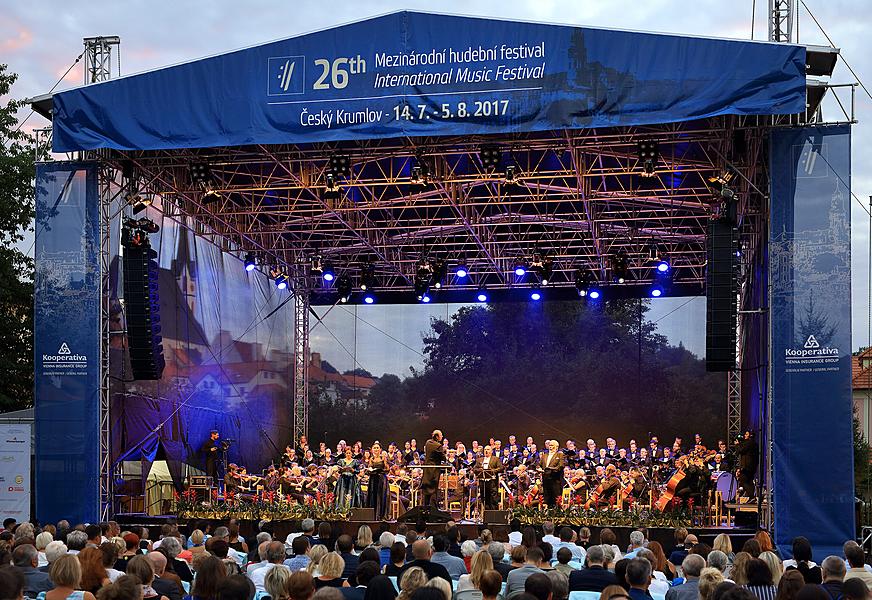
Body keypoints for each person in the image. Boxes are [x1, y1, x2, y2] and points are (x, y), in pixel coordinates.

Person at [421, 431, 447, 508]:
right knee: (433, 490)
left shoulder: (428, 442)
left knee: (426, 490)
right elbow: (443, 458)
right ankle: (433, 510)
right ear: (437, 437)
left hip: (427, 470)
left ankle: (425, 509)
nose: (442, 437)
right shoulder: (438, 446)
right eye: (441, 435)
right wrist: (445, 451)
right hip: (434, 471)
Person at [366, 444, 390, 520]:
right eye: (374, 448)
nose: (376, 449)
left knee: (381, 496)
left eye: (377, 448)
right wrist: (370, 470)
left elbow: (387, 469)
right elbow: (369, 469)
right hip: (373, 480)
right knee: (373, 496)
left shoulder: (383, 458)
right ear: (372, 450)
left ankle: (381, 515)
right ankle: (373, 515)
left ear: (380, 449)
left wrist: (381, 470)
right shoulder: (371, 459)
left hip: (381, 479)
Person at [540, 440, 566, 508]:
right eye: (550, 445)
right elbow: (539, 465)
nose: (550, 447)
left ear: (556, 447)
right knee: (547, 498)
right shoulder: (544, 455)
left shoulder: (560, 455)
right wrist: (539, 469)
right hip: (546, 480)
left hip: (555, 480)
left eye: (552, 445)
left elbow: (561, 466)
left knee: (556, 498)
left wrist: (550, 469)